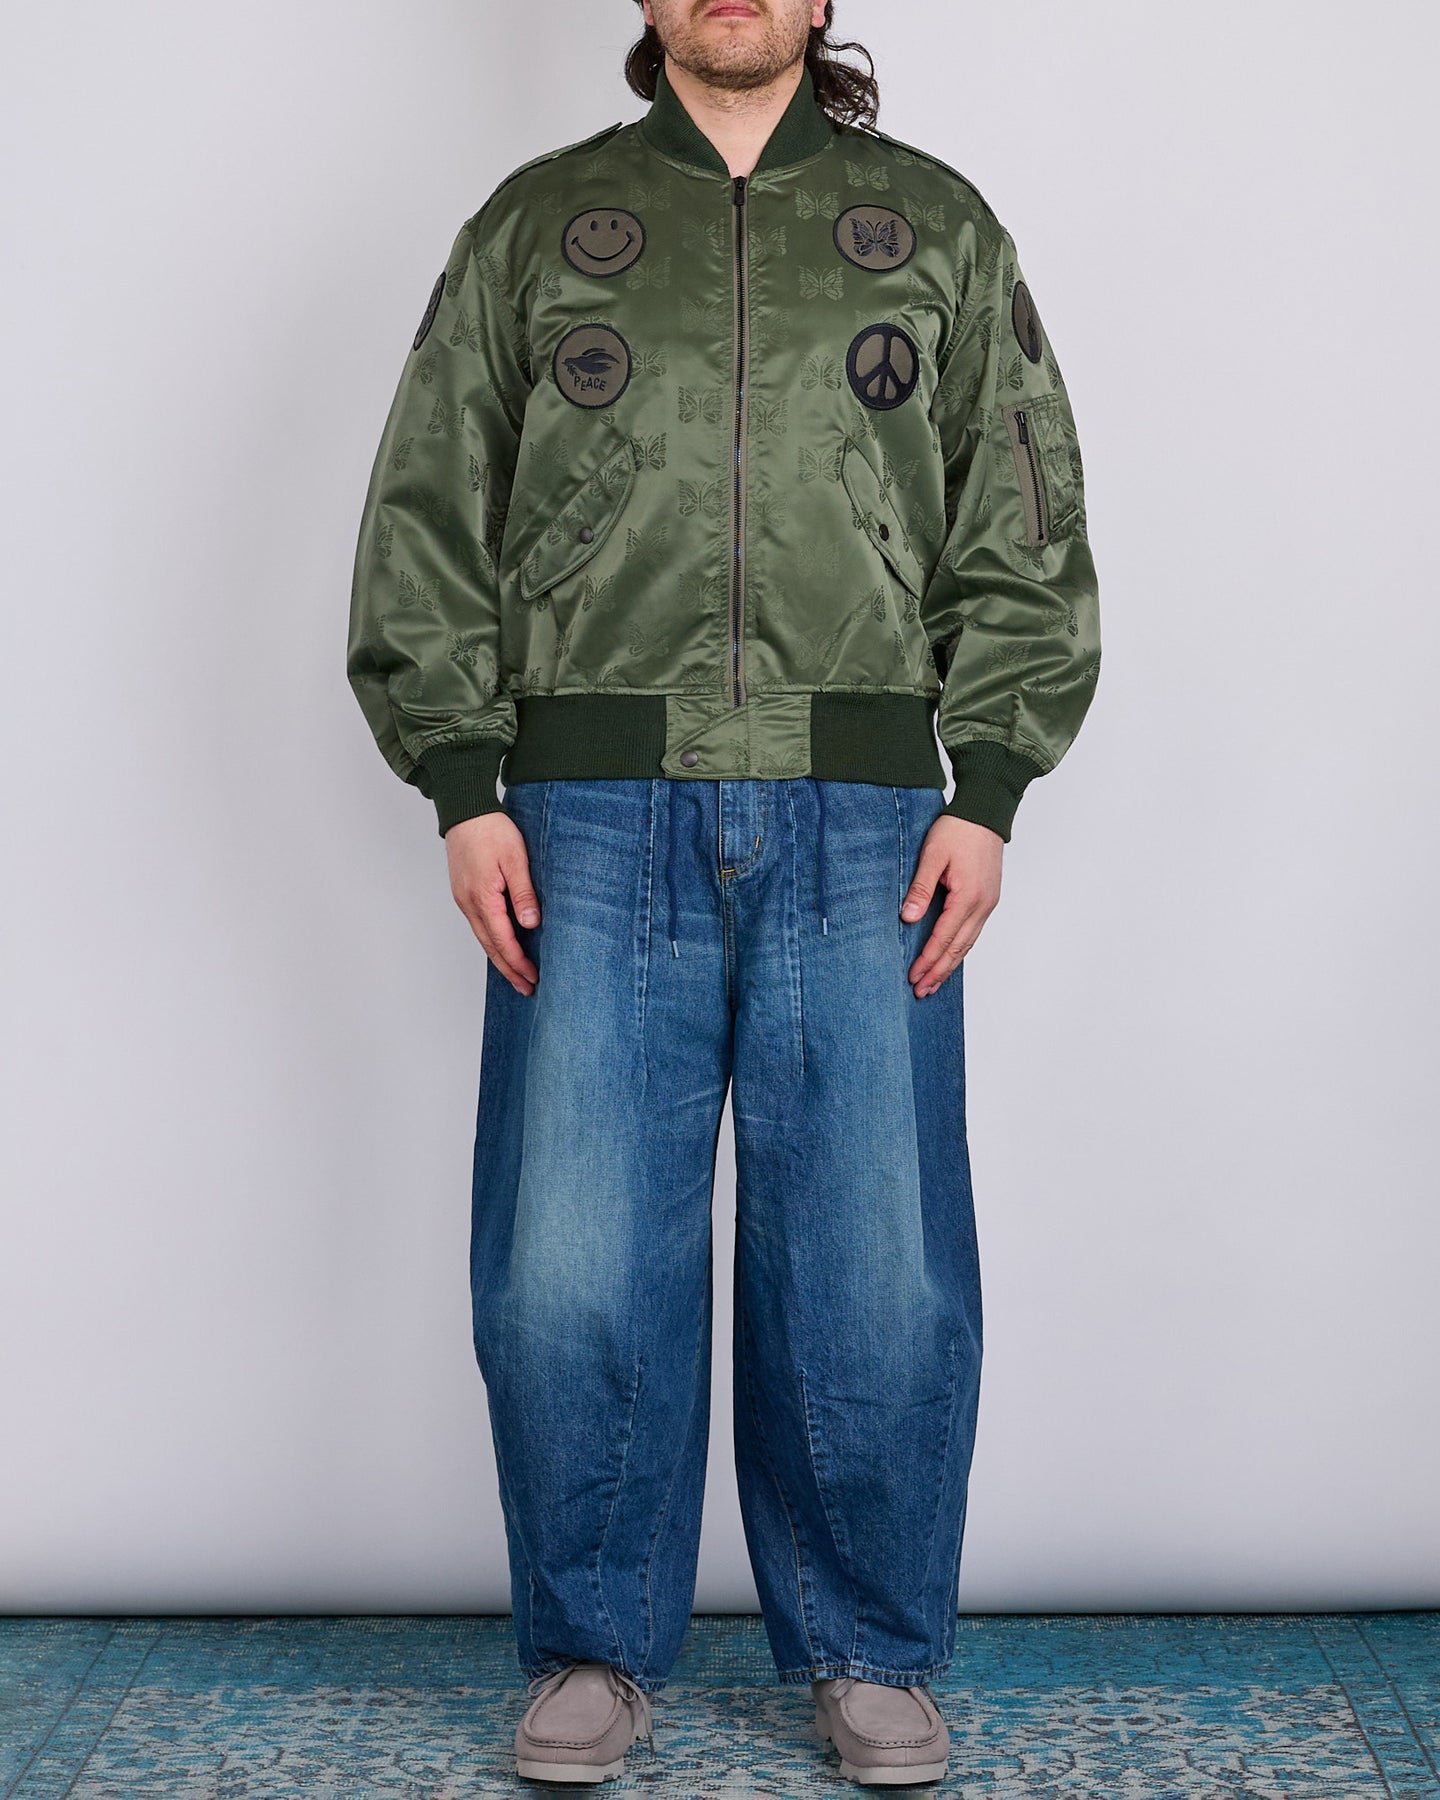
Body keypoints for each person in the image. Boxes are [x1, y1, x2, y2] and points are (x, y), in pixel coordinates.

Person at [346, 0, 1099, 1784]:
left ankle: (870, 1647)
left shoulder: (937, 228)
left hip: (867, 818)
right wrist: (463, 782)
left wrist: (990, 784)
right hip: (587, 817)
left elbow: (1023, 521)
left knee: (877, 1264)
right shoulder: (536, 226)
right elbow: (429, 509)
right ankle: (593, 1646)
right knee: (569, 1258)